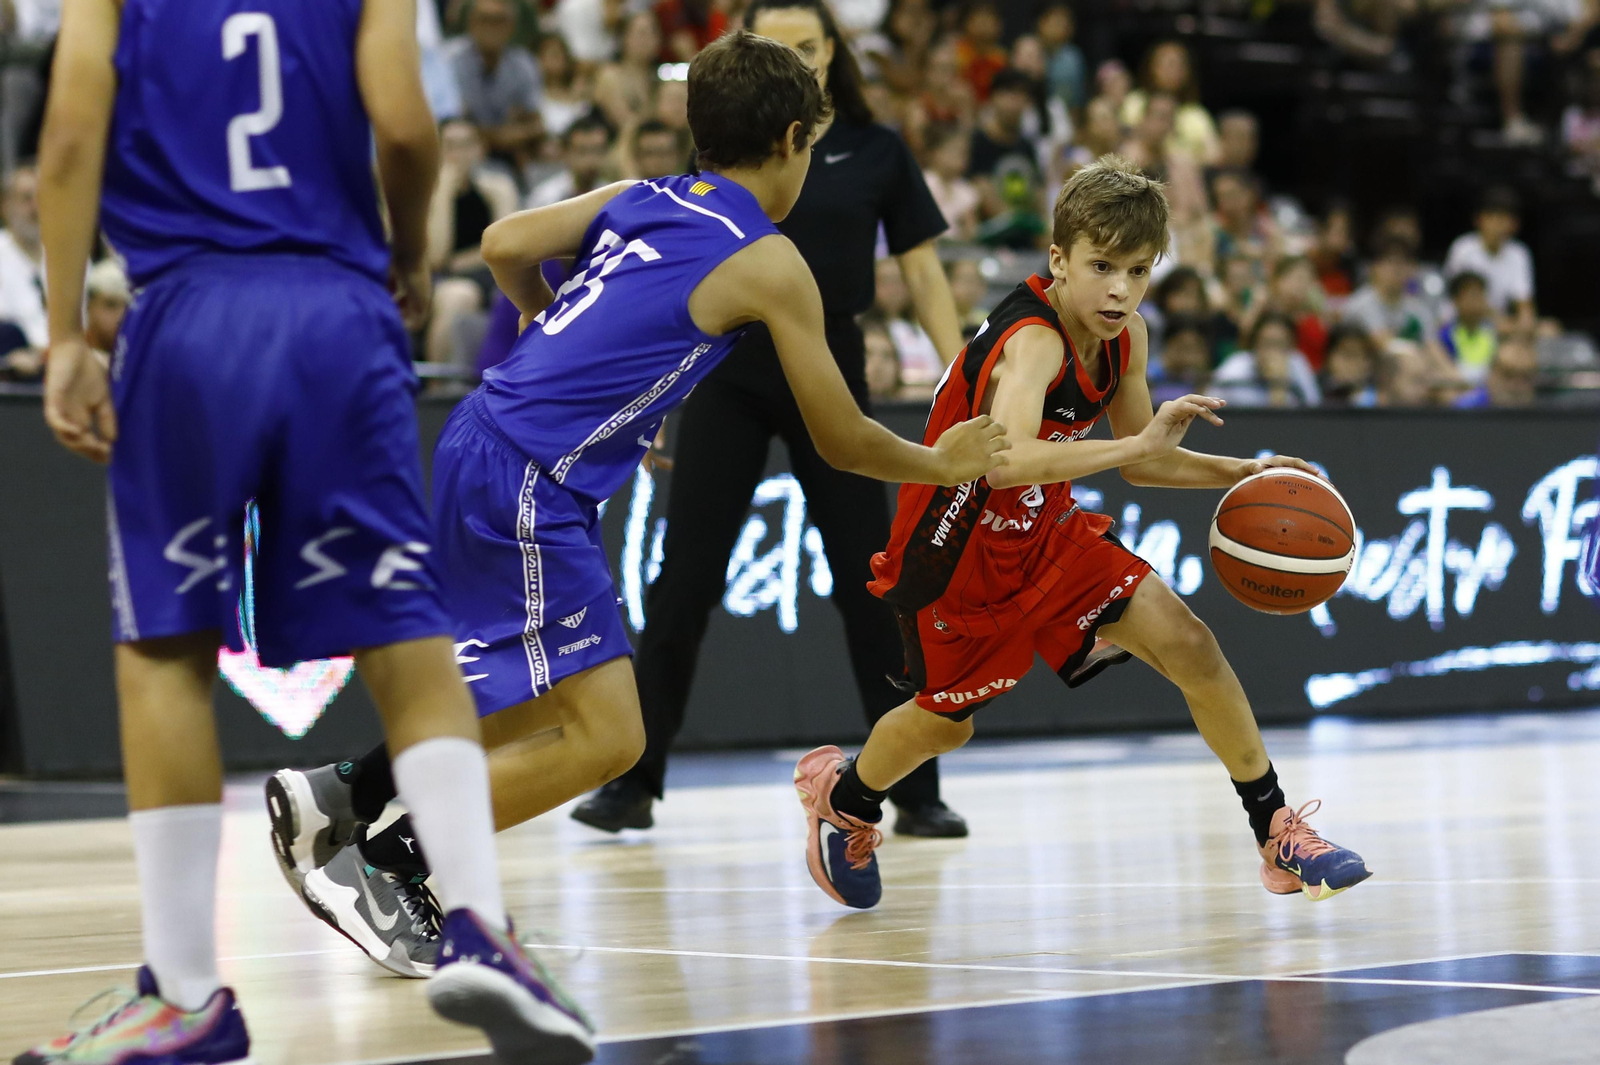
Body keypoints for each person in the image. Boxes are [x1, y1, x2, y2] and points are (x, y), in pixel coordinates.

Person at [267, 31, 1008, 980]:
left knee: (544, 686)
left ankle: (343, 792)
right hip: (531, 478)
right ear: (789, 139)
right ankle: (392, 857)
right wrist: (942, 463)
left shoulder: (645, 196)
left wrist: (546, 323)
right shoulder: (771, 259)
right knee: (612, 734)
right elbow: (840, 439)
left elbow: (504, 244)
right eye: (810, 150)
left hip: (487, 441)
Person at [25, 0, 584, 1059]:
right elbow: (409, 128)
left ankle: (186, 996)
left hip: (188, 317)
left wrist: (62, 335)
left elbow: (66, 138)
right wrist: (410, 252)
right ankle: (476, 925)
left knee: (165, 650)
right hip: (338, 313)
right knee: (403, 630)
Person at [790, 156, 1371, 912]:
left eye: (1137, 270)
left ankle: (1276, 830)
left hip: (1046, 531)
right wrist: (1138, 446)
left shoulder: (1125, 338)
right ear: (1058, 260)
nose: (1120, 289)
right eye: (1101, 266)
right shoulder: (1033, 339)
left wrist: (1244, 470)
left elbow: (1145, 460)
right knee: (944, 725)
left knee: (1191, 643)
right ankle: (847, 797)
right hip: (957, 549)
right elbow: (1006, 462)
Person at [574, 0, 974, 839]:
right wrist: (647, 397)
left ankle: (915, 787)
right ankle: (634, 781)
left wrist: (962, 377)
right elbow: (673, 275)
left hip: (831, 369)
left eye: (807, 44)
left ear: (832, 55)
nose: (795, 57)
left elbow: (927, 277)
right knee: (682, 581)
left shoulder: (877, 150)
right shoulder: (732, 150)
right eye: (775, 45)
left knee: (879, 585)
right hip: (729, 370)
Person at [448, 0, 544, 171]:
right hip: (461, 153)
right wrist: (501, 135)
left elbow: (537, 125)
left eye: (499, 20)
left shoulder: (523, 63)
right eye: (484, 19)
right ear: (471, 23)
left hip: (511, 155)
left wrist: (493, 134)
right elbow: (451, 123)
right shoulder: (451, 61)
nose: (491, 28)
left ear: (511, 26)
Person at [1443, 185, 1536, 335]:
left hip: (1498, 325)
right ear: (1480, 219)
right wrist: (1502, 321)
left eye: (1507, 220)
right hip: (1461, 322)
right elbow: (1466, 300)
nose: (1501, 226)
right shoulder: (1463, 248)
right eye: (1496, 219)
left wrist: (1527, 325)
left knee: (1549, 329)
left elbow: (1524, 304)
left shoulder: (1519, 254)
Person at [1209, 312, 1322, 408]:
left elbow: (1314, 409)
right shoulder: (1236, 365)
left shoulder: (1298, 364)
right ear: (1255, 344)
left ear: (1291, 347)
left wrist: (1278, 387)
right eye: (1267, 343)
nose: (1272, 352)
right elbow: (1209, 405)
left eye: (1279, 344)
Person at [1438, 270, 1498, 385]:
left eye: (1481, 295)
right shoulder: (1444, 336)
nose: (1478, 302)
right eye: (1472, 295)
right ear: (1456, 300)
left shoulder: (1494, 333)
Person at [1455, 335, 1538, 407]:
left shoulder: (1545, 416)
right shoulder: (1466, 410)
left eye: (1525, 378)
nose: (1515, 386)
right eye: (1508, 375)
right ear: (1491, 375)